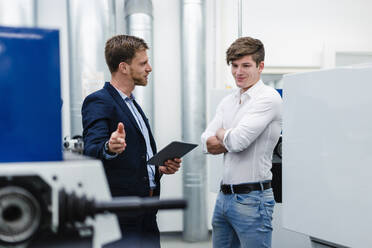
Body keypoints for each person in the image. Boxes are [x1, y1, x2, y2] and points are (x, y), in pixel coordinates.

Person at [82, 35, 181, 248]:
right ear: (124, 67)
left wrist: (159, 168)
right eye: (143, 63)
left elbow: (136, 156)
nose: (150, 68)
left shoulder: (132, 104)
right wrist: (109, 147)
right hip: (122, 213)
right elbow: (91, 150)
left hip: (147, 208)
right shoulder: (99, 100)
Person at [201, 37, 282, 247]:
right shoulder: (228, 101)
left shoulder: (268, 98)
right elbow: (206, 142)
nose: (239, 72)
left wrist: (221, 133)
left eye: (246, 65)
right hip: (224, 198)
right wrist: (225, 136)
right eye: (234, 66)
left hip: (253, 200)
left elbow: (237, 142)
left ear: (260, 66)